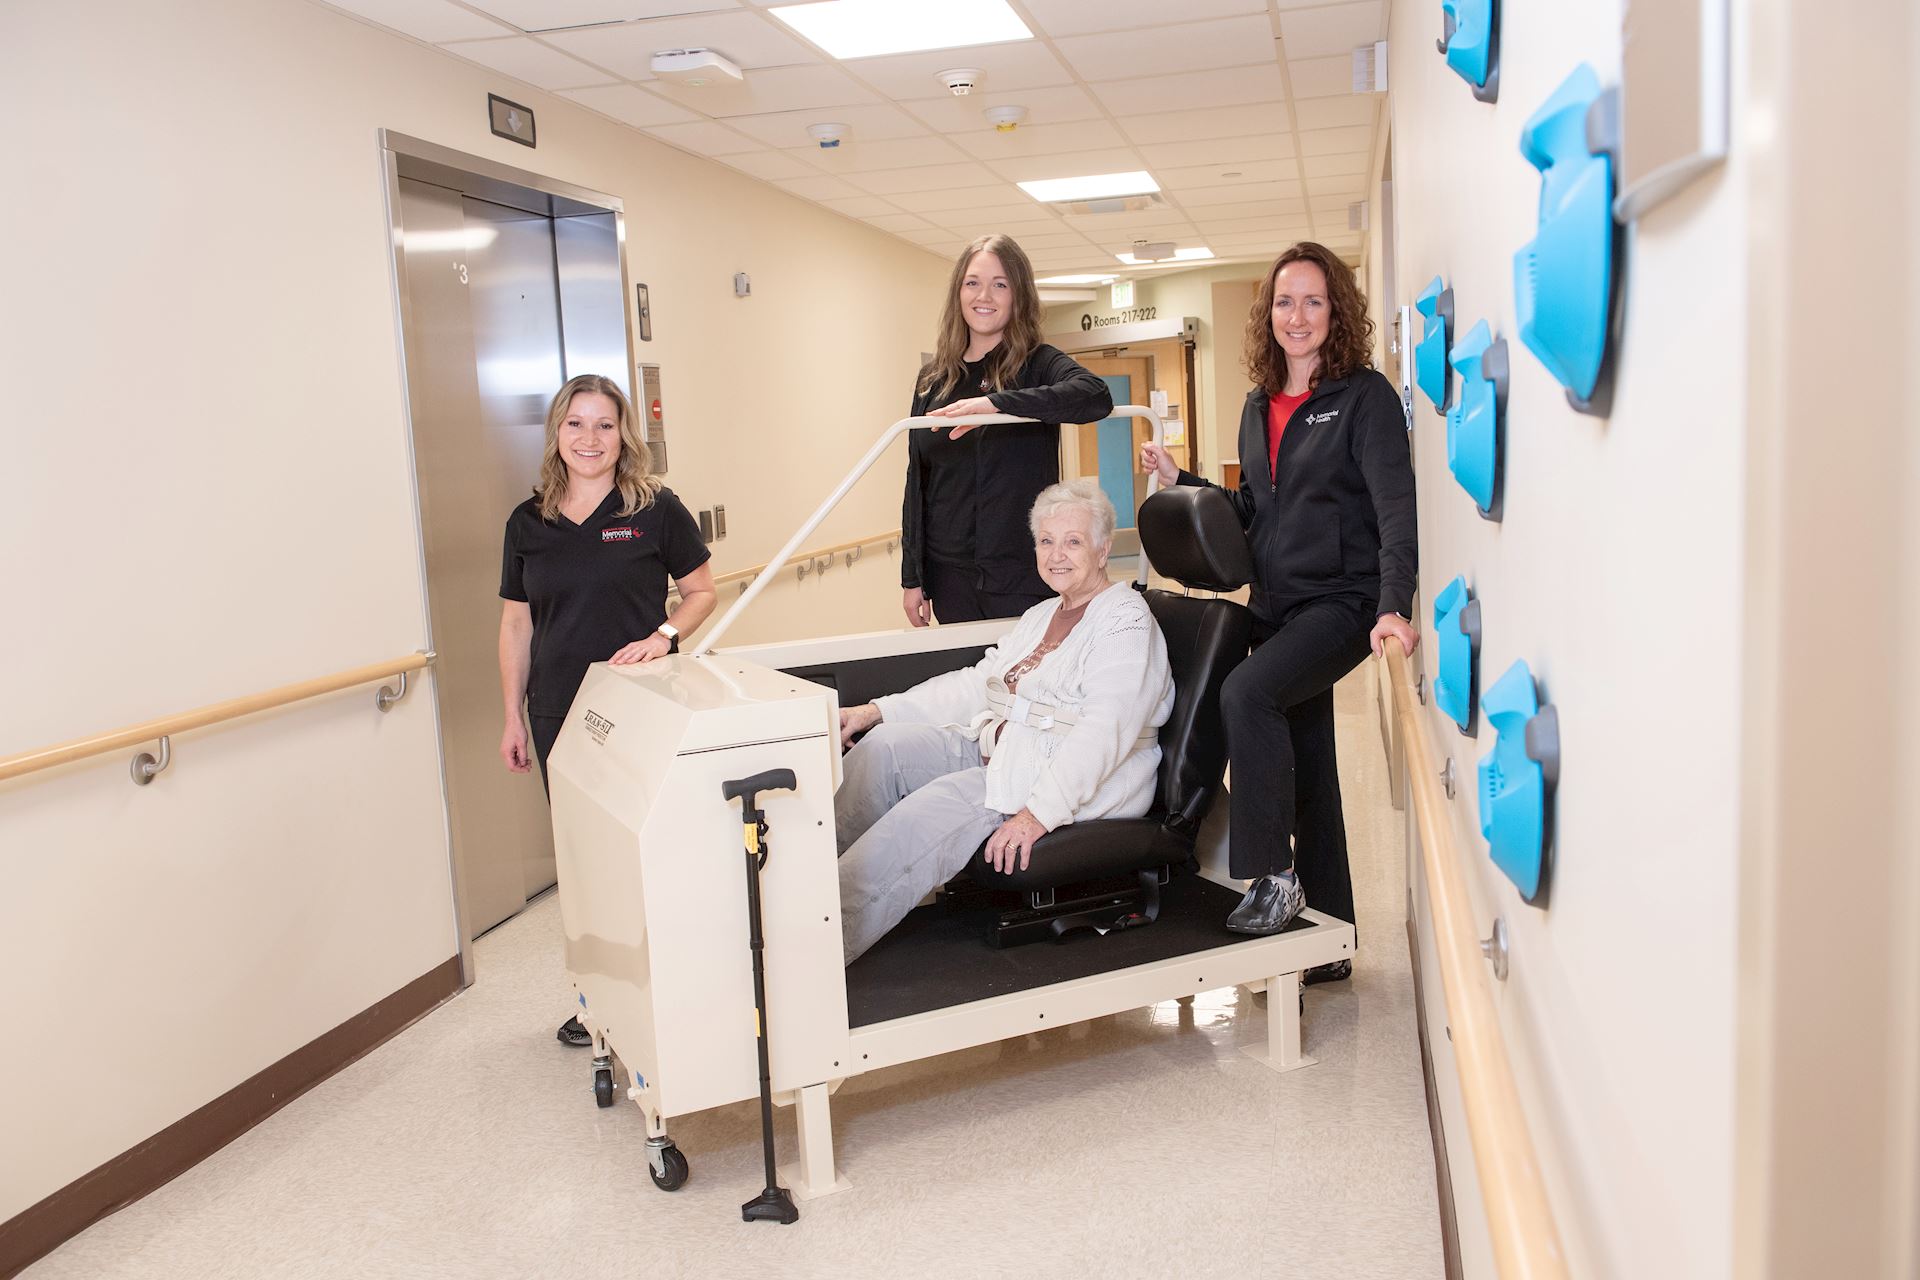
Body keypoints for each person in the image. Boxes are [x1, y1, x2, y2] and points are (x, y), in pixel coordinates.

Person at [1141, 242, 1418, 967]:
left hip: (1342, 603)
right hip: (1275, 602)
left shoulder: (1364, 398)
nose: (1297, 317)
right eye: (1285, 303)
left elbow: (1396, 507)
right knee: (1309, 768)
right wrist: (1184, 477)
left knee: (1246, 693)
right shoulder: (1259, 404)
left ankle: (1275, 874)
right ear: (1269, 316)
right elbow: (1252, 507)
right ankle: (1332, 944)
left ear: (1338, 312)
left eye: (1313, 301)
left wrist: (1395, 603)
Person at [837, 479, 1173, 963]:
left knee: (925, 812)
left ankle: (817, 947)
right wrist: (876, 711)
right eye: (1046, 541)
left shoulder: (1125, 619)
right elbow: (979, 684)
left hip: (1055, 781)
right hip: (1001, 751)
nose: (1057, 554)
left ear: (1103, 550)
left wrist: (1039, 812)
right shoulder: (1042, 614)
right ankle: (799, 884)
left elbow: (1107, 729)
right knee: (885, 748)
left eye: (1073, 541)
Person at [498, 373, 717, 1045]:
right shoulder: (527, 522)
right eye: (576, 424)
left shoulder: (653, 509)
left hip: (637, 705)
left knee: (639, 850)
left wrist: (662, 637)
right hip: (558, 709)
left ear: (623, 435)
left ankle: (665, 989)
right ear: (556, 434)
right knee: (582, 861)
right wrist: (512, 715)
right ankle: (596, 998)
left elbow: (702, 591)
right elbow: (515, 626)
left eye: (604, 424)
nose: (590, 439)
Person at [901, 233, 1114, 628]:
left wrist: (995, 404)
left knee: (1020, 683)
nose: (985, 295)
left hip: (1020, 575)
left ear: (1018, 296)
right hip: (949, 577)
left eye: (1000, 284)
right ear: (958, 293)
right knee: (966, 685)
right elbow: (918, 483)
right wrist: (912, 577)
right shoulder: (933, 379)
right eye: (973, 283)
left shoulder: (1036, 363)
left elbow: (1095, 397)